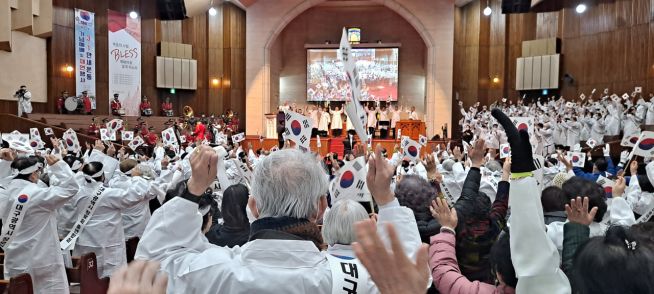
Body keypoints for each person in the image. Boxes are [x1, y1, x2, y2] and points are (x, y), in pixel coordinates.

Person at [135, 145, 422, 293]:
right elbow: (414, 274)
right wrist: (386, 200)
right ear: (320, 208)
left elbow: (151, 262)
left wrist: (194, 190)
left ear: (254, 207)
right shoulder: (358, 279)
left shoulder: (208, 272)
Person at [1, 155, 80, 294]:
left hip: (14, 256)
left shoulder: (4, 193)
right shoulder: (38, 194)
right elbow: (71, 188)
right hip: (41, 257)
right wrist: (58, 166)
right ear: (32, 175)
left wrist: (5, 162)